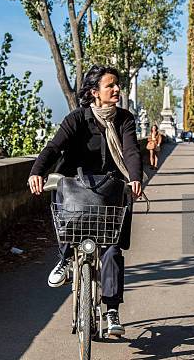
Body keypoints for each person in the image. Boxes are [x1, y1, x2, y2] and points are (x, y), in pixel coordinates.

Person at [28, 65, 143, 336]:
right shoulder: (77, 118)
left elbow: (130, 150)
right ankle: (66, 260)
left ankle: (112, 309)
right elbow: (54, 147)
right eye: (110, 85)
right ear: (94, 92)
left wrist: (135, 178)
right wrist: (36, 172)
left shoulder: (124, 119)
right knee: (68, 218)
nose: (116, 89)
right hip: (76, 187)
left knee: (112, 249)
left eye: (117, 85)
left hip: (110, 190)